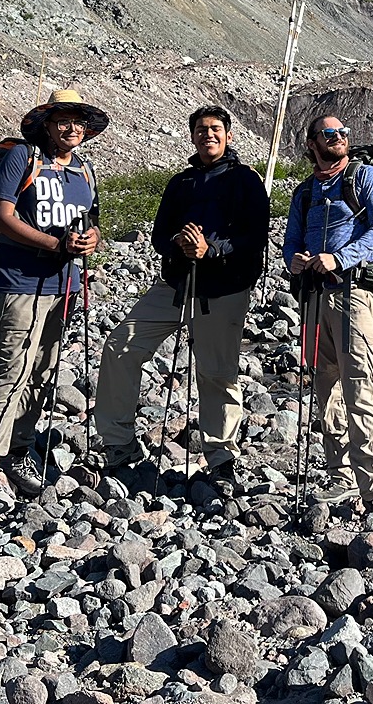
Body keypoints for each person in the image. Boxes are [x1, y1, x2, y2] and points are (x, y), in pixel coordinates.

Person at [94, 104, 268, 493]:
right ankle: (118, 443)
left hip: (222, 289)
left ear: (228, 135)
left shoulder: (246, 181)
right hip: (174, 285)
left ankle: (221, 458)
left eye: (216, 129)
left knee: (217, 372)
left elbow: (254, 237)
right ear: (192, 136)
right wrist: (178, 243)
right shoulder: (181, 183)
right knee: (121, 345)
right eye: (202, 129)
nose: (209, 135)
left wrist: (211, 249)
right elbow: (160, 234)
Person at [0, 88, 105, 515]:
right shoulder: (21, 157)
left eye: (79, 121)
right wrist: (55, 245)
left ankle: (18, 448)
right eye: (63, 119)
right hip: (17, 280)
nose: (72, 127)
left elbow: (90, 222)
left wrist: (90, 240)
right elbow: (0, 217)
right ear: (45, 122)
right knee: (12, 369)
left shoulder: (83, 170)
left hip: (64, 284)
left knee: (43, 371)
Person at [283, 113, 373, 512]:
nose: (340, 137)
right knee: (325, 383)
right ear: (312, 143)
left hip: (353, 291)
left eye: (343, 132)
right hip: (314, 296)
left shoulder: (363, 178)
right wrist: (293, 259)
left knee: (360, 383)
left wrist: (339, 258)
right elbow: (291, 238)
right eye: (331, 133)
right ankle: (341, 475)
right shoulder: (305, 192)